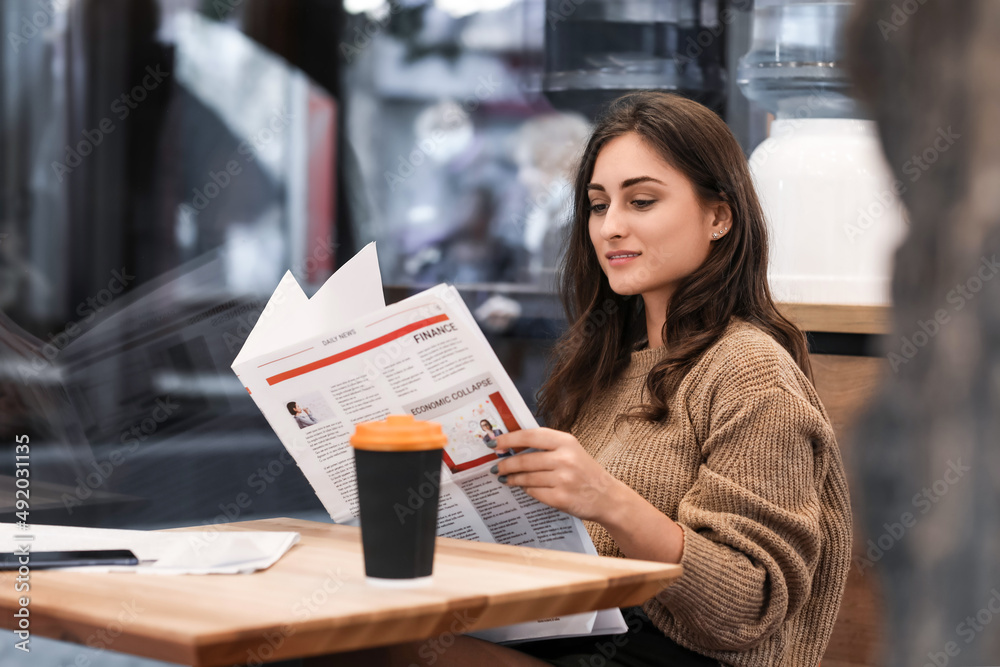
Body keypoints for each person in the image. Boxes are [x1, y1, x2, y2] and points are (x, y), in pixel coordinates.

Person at [330, 91, 853, 667]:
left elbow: (745, 609)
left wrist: (608, 501)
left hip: (676, 655)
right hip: (577, 637)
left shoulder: (750, 371)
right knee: (355, 634)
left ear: (719, 216)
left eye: (643, 201)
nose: (611, 228)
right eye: (599, 206)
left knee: (379, 650)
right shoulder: (607, 370)